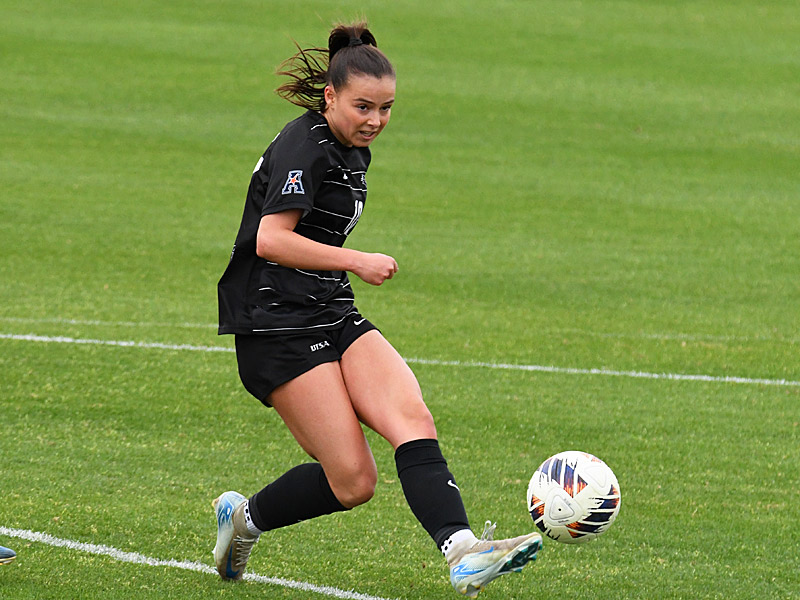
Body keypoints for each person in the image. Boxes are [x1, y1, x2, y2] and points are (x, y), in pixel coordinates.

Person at [214, 21, 541, 597]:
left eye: (386, 108)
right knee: (354, 482)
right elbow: (270, 239)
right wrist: (357, 259)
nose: (375, 120)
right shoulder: (305, 146)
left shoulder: (351, 147)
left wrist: (344, 270)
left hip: (330, 309)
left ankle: (462, 551)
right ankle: (245, 519)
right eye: (363, 106)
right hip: (275, 327)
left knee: (411, 418)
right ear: (330, 97)